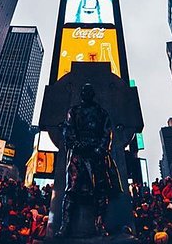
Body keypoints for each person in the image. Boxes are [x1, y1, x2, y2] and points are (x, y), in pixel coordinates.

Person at [58, 83, 122, 236]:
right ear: (81, 94)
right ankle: (64, 226)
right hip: (78, 155)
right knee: (71, 190)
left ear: (93, 94)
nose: (86, 94)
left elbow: (107, 133)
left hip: (96, 155)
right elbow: (69, 129)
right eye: (84, 91)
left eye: (89, 91)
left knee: (100, 191)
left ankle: (100, 224)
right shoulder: (73, 111)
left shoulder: (101, 113)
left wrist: (99, 149)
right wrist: (76, 144)